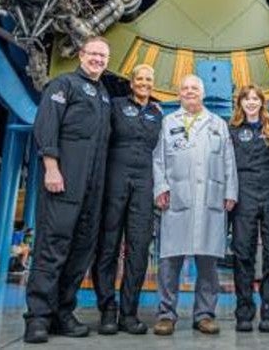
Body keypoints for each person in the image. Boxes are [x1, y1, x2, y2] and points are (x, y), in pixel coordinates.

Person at [24, 37, 114, 344]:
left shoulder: (103, 96)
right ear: (81, 55)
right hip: (64, 180)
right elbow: (46, 125)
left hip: (92, 188)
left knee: (80, 251)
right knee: (53, 245)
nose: (98, 60)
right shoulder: (63, 85)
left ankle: (63, 312)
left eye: (103, 56)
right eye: (93, 54)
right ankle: (38, 317)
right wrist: (51, 167)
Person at [152, 74, 238, 336]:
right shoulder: (168, 122)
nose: (190, 92)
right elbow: (158, 160)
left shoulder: (217, 124)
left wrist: (230, 191)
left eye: (194, 88)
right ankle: (166, 314)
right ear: (179, 94)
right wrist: (161, 187)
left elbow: (228, 160)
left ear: (202, 93)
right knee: (169, 262)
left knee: (208, 264)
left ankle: (204, 314)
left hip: (210, 199)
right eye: (185, 88)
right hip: (176, 198)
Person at [93, 64, 165, 335]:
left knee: (138, 250)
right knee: (108, 246)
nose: (144, 83)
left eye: (149, 79)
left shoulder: (157, 113)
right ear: (132, 82)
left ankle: (129, 313)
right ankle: (108, 310)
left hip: (144, 185)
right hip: (115, 180)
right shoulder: (115, 105)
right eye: (140, 79)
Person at [228, 84, 269, 333]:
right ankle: (244, 312)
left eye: (255, 99)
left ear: (262, 103)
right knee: (243, 254)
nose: (251, 102)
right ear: (239, 103)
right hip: (243, 193)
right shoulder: (231, 131)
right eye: (246, 99)